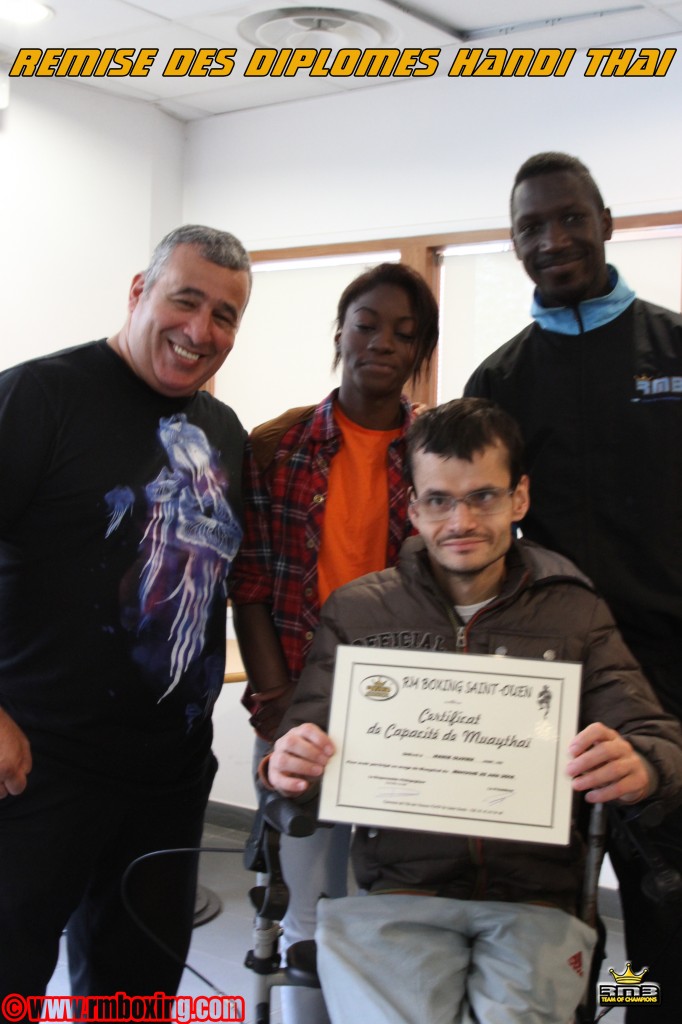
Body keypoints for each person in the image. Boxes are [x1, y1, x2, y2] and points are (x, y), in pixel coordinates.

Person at [265, 398, 682, 1024]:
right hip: (398, 893)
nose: (461, 520)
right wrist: (286, 768)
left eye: (483, 497)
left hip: (536, 901)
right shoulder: (360, 613)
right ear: (413, 510)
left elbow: (656, 735)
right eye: (438, 499)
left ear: (519, 499)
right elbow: (294, 760)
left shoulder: (574, 611)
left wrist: (644, 765)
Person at [0, 225, 251, 1009]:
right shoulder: (39, 396)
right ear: (139, 293)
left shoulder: (223, 432)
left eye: (225, 316)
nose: (201, 331)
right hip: (39, 767)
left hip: (168, 779)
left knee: (135, 993)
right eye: (186, 300)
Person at [464, 151, 682, 1021]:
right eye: (530, 227)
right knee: (551, 930)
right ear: (514, 244)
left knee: (667, 924)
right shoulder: (499, 383)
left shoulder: (675, 347)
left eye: (569, 218)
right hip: (543, 697)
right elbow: (473, 543)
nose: (552, 240)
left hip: (669, 692)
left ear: (606, 222)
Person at [229, 262, 439, 1023]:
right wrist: (278, 703)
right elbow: (249, 584)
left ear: (420, 355)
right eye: (368, 324)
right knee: (308, 916)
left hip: (404, 715)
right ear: (340, 333)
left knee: (390, 913)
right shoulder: (278, 446)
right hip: (300, 709)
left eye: (405, 335)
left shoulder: (434, 453)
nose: (383, 343)